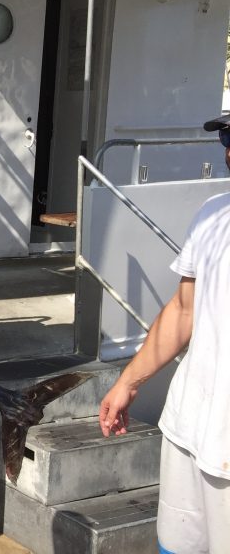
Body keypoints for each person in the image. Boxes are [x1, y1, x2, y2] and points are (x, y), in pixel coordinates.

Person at [99, 114, 230, 554]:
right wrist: (127, 382)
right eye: (228, 137)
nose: (229, 150)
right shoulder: (213, 215)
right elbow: (182, 310)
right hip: (187, 430)